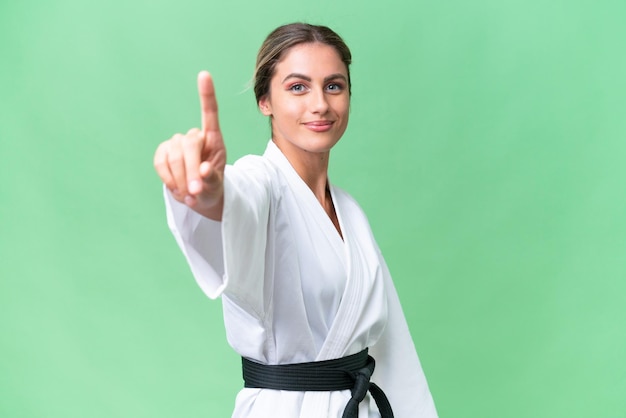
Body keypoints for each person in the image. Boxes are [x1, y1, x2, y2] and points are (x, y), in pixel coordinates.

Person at [153, 22, 437, 418]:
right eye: (298, 87)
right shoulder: (260, 183)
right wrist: (211, 194)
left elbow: (390, 349)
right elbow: (239, 204)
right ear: (264, 101)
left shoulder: (351, 212)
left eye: (334, 86)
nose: (320, 103)